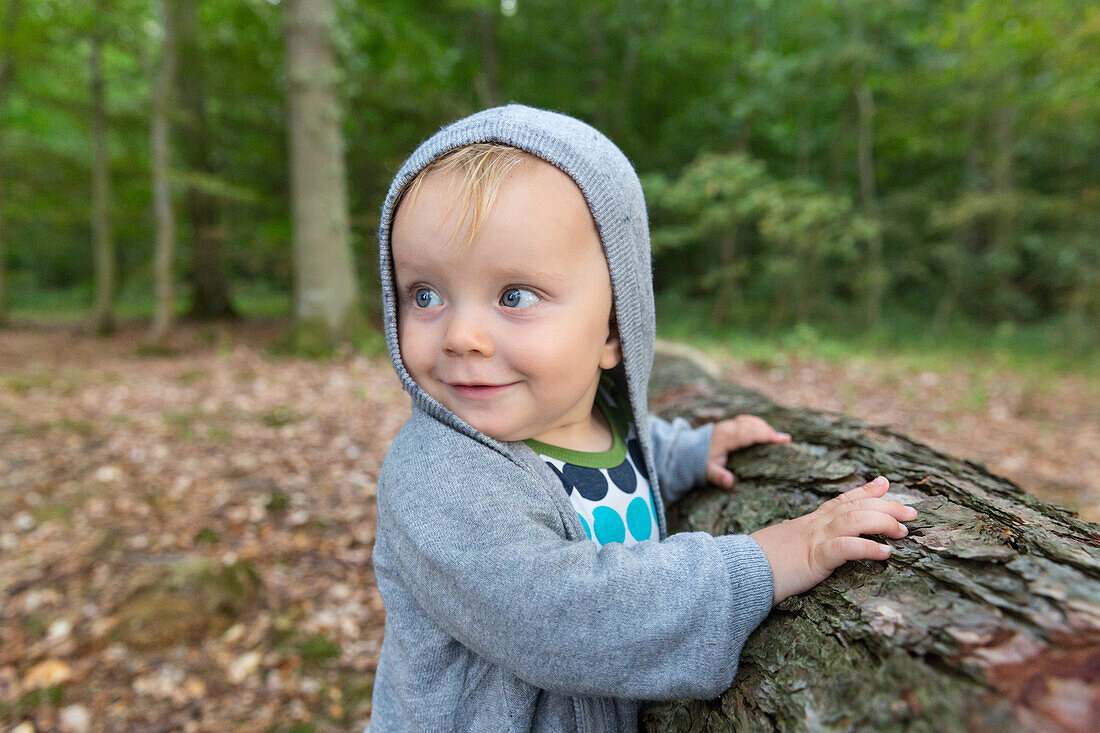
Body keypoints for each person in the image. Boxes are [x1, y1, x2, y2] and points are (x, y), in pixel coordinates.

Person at [369, 104, 917, 732]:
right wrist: (766, 562)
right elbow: (564, 619)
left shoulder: (595, 415)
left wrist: (689, 452)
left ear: (613, 328)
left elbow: (629, 445)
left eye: (514, 296)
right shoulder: (438, 480)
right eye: (426, 295)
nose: (462, 335)